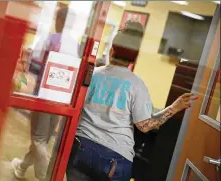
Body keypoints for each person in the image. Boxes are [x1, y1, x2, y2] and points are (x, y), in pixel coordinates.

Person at [66, 21, 198, 181]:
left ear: (111, 50)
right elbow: (145, 126)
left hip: (80, 148)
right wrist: (174, 108)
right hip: (115, 158)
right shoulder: (137, 85)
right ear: (135, 57)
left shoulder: (92, 75)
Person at [11, 7, 79, 181]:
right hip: (62, 100)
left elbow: (33, 66)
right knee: (43, 139)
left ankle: (45, 176)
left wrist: (21, 85)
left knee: (39, 139)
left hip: (44, 96)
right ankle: (22, 167)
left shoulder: (49, 39)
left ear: (58, 20)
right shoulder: (76, 46)